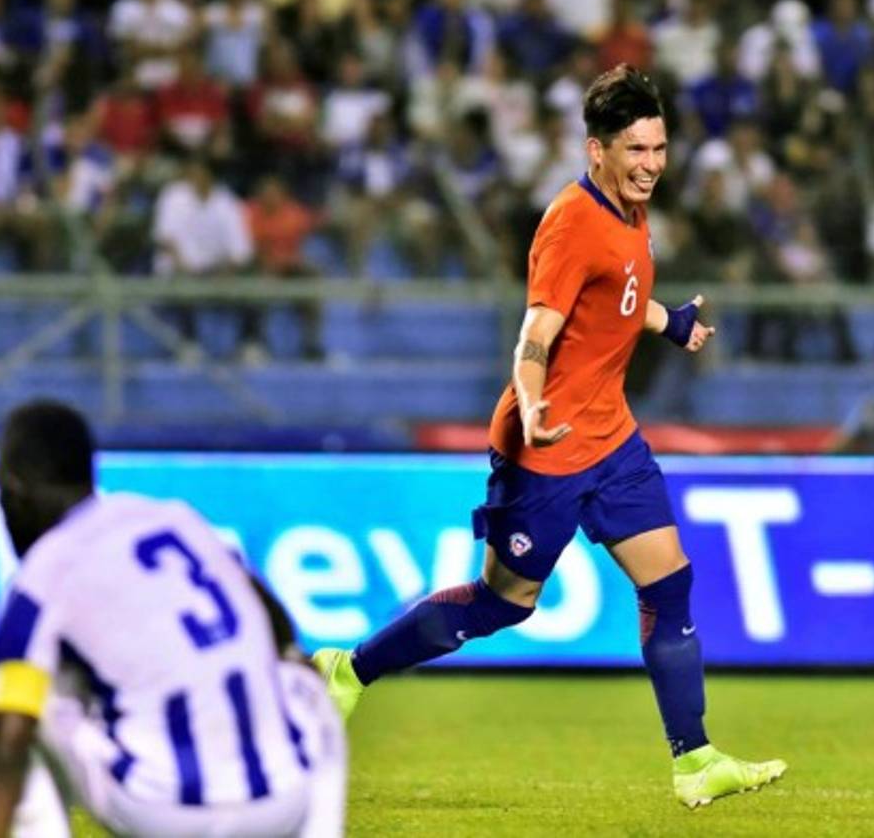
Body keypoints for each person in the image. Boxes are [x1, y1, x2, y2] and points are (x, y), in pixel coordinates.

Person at [314, 64, 786, 809]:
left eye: (659, 148)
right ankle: (347, 671)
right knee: (504, 603)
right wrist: (533, 405)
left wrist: (670, 323)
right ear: (597, 150)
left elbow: (618, 298)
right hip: (548, 447)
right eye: (636, 150)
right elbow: (536, 331)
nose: (652, 165)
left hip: (613, 441)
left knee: (669, 583)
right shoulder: (571, 222)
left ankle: (695, 759)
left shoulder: (630, 212)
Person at [0, 400, 345, 836]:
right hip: (282, 802)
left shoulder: (43, 574)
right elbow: (268, 615)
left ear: (13, 489)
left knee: (24, 698)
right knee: (304, 680)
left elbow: (9, 742)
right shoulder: (173, 520)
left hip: (162, 811)